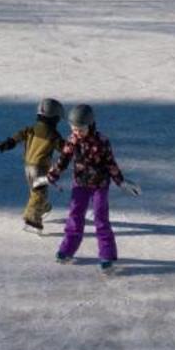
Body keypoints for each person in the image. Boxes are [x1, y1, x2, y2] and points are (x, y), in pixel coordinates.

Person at [44, 104, 136, 275]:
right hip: (80, 184)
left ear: (90, 125)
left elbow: (110, 164)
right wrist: (51, 176)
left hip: (100, 186)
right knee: (75, 216)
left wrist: (121, 182)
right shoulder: (72, 140)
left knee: (101, 219)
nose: (77, 132)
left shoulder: (102, 141)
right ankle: (67, 250)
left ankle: (107, 256)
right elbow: (62, 161)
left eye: (81, 129)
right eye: (74, 129)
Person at [0, 97, 67, 234]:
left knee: (36, 191)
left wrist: (6, 144)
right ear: (54, 118)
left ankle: (43, 207)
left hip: (28, 166)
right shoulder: (53, 134)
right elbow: (64, 148)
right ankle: (32, 219)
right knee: (38, 192)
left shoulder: (31, 129)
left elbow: (17, 137)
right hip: (40, 168)